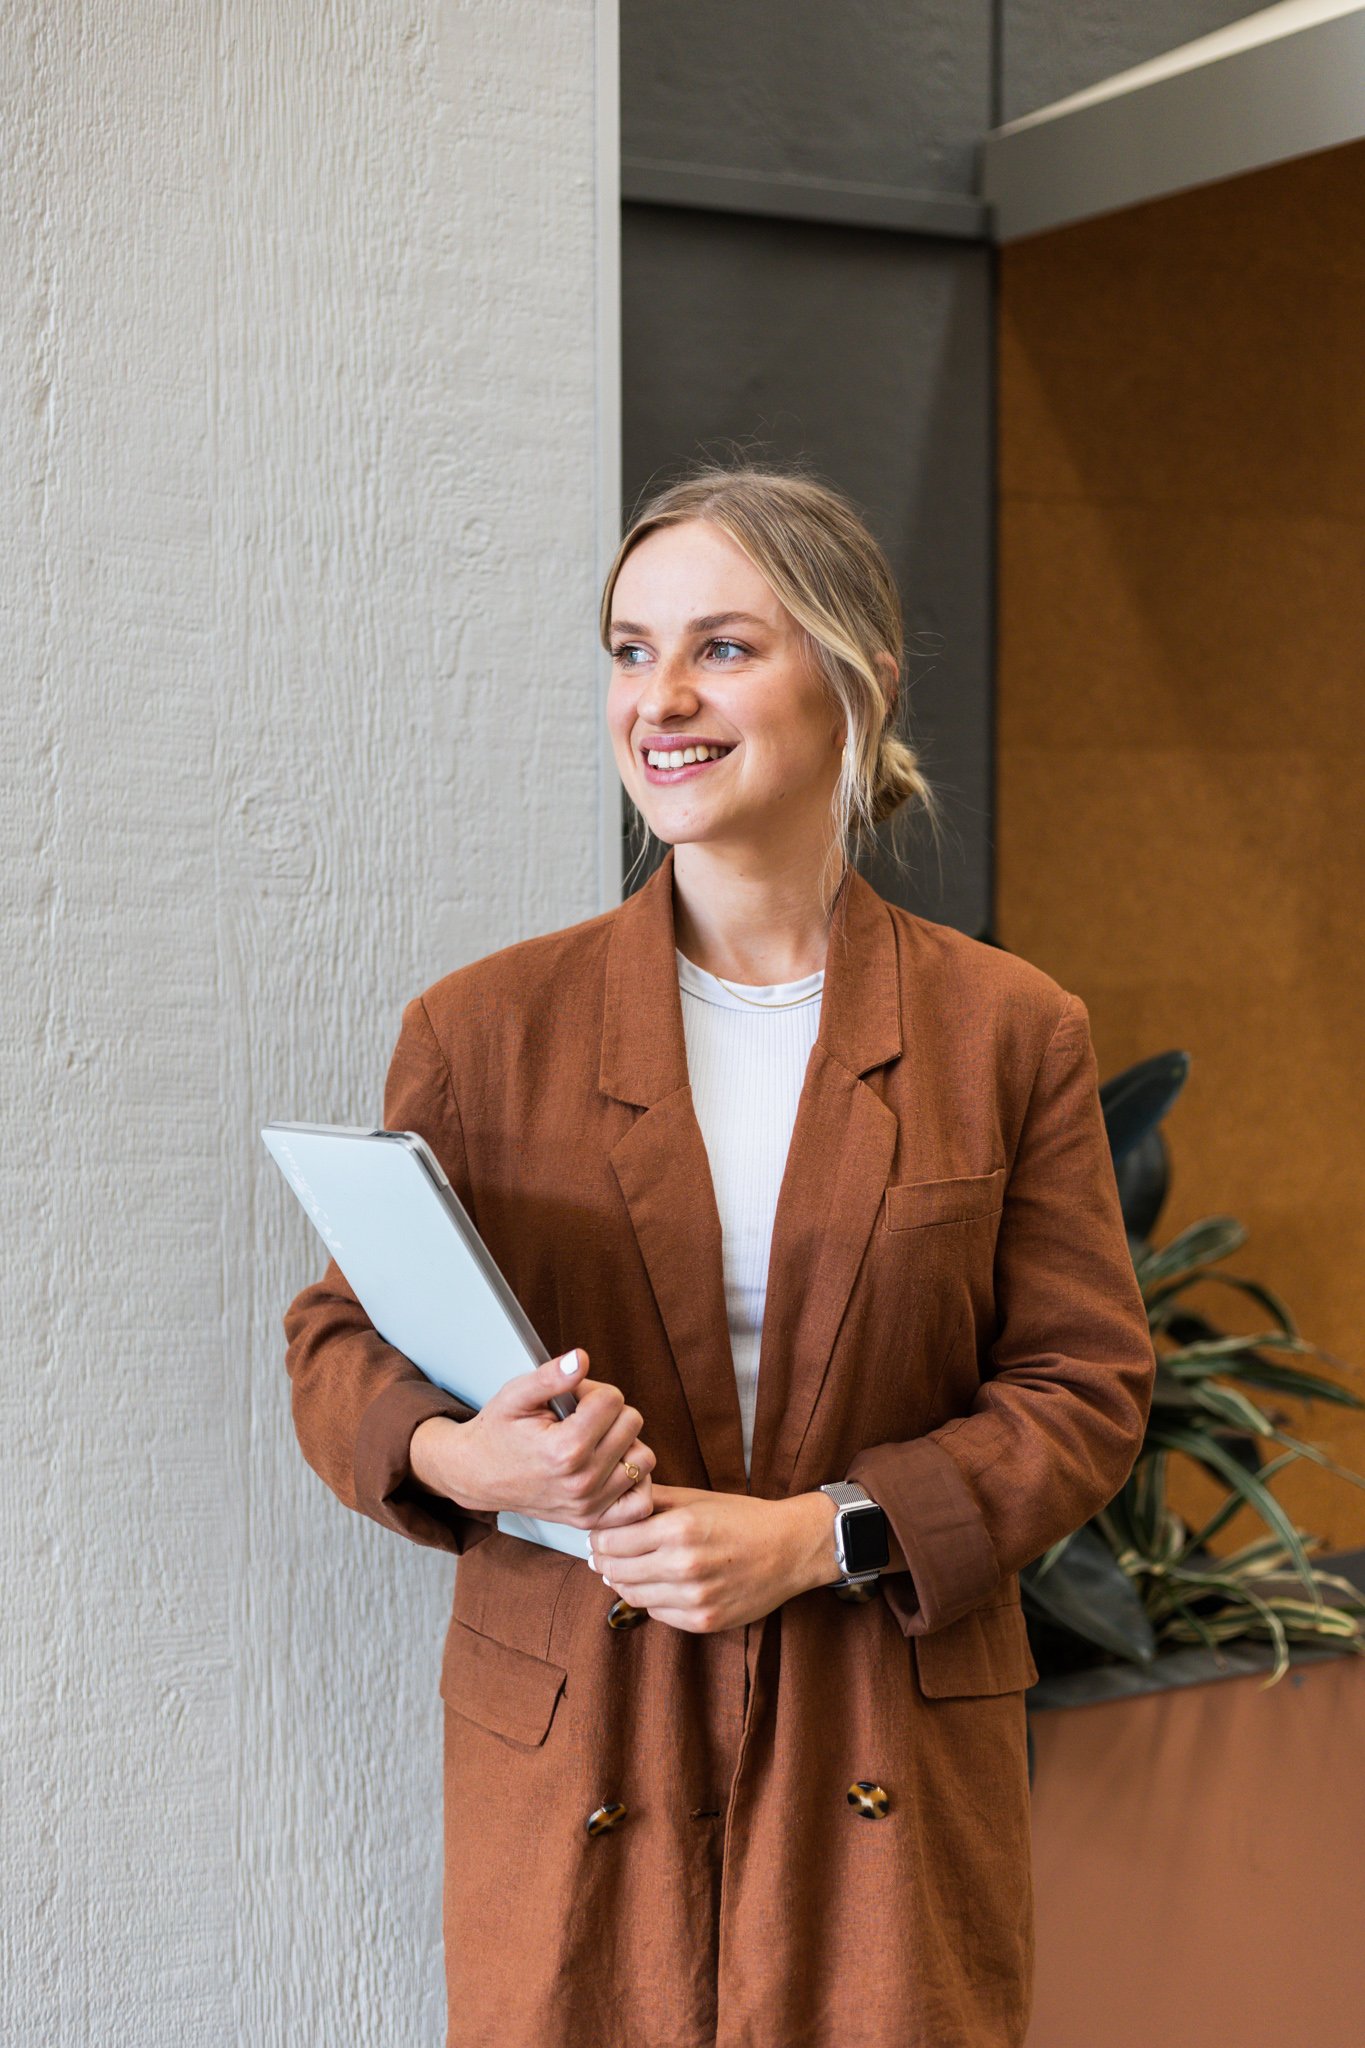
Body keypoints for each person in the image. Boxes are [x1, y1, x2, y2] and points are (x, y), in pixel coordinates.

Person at [282, 461, 1157, 2048]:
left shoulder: (1005, 1033)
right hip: (582, 1737)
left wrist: (822, 1534)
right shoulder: (483, 1028)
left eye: (722, 647)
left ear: (859, 679)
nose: (660, 699)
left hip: (876, 1720)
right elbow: (343, 1338)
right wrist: (468, 1461)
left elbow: (1083, 1384)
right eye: (629, 650)